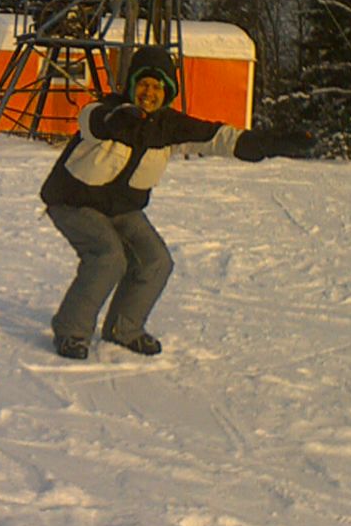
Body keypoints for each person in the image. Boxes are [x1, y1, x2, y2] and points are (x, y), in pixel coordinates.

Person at [40, 42, 308, 361]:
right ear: (131, 85)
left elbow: (220, 138)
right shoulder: (109, 111)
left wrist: (272, 142)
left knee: (156, 261)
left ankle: (124, 329)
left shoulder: (170, 126)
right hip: (73, 202)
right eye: (143, 84)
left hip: (121, 208)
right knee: (108, 257)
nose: (148, 93)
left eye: (157, 87)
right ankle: (71, 332)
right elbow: (90, 120)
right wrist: (116, 121)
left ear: (167, 92)